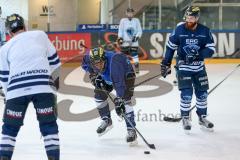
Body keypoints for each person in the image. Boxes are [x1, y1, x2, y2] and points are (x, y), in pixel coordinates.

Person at [0, 14, 61, 160]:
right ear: (25, 26)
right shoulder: (40, 35)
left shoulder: (4, 48)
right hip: (43, 87)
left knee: (9, 129)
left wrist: (9, 98)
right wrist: (53, 89)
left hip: (16, 90)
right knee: (49, 127)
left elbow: (4, 78)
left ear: (9, 32)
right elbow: (55, 63)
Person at [160, 6, 215, 132]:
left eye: (191, 18)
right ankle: (185, 117)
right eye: (187, 18)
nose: (188, 20)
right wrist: (165, 64)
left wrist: (198, 55)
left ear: (197, 18)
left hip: (199, 68)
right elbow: (170, 48)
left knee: (202, 95)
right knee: (186, 94)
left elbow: (211, 50)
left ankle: (202, 117)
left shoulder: (205, 31)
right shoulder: (179, 30)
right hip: (184, 67)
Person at [82, 47, 137, 144]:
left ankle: (131, 129)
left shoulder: (114, 65)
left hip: (125, 74)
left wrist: (119, 100)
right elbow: (85, 64)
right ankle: (106, 119)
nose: (98, 66)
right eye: (96, 64)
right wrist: (93, 75)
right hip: (108, 74)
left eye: (100, 63)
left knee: (125, 100)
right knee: (99, 94)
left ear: (105, 59)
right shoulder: (88, 58)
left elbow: (120, 85)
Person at [117, 7, 142, 74]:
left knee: (134, 54)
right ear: (126, 13)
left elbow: (139, 31)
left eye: (131, 12)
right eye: (128, 12)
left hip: (134, 42)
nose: (130, 14)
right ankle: (123, 68)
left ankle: (136, 67)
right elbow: (120, 30)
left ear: (133, 13)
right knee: (123, 56)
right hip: (125, 42)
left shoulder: (136, 20)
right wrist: (120, 38)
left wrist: (136, 37)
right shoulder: (123, 20)